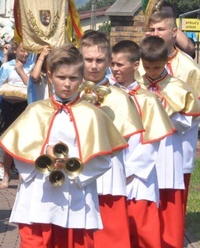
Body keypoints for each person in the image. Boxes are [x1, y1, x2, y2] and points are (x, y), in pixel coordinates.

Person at [0, 46, 127, 247]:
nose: (67, 84)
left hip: (75, 193)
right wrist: (42, 154)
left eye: (73, 78)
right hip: (38, 193)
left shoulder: (92, 114)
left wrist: (74, 165)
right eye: (61, 77)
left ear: (81, 78)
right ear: (50, 76)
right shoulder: (35, 110)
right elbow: (18, 151)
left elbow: (102, 159)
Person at [144, 10, 200, 213]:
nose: (156, 33)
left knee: (171, 207)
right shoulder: (141, 63)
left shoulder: (188, 67)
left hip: (176, 144)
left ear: (174, 32)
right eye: (152, 29)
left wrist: (168, 112)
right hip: (144, 146)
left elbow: (199, 110)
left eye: (161, 29)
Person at [79, 31, 143, 248]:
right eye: (88, 60)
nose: (94, 66)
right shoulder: (71, 92)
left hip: (110, 173)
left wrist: (130, 172)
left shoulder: (120, 96)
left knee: (111, 236)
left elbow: (132, 138)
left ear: (108, 61)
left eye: (99, 60)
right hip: (77, 172)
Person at [140, 36, 200, 248]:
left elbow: (190, 119)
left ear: (165, 63)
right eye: (147, 67)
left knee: (169, 200)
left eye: (156, 67)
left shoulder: (178, 87)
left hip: (169, 148)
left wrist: (165, 107)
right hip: (143, 149)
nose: (151, 72)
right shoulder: (137, 85)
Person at [111, 40, 175, 248]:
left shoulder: (148, 99)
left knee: (143, 233)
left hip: (139, 177)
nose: (114, 69)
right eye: (112, 64)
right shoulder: (104, 95)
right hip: (109, 173)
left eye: (120, 64)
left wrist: (131, 170)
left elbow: (152, 141)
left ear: (135, 65)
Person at [0, 41, 35, 188]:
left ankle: (21, 177)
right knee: (8, 142)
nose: (25, 54)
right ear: (16, 50)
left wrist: (21, 71)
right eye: (22, 50)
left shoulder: (32, 67)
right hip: (8, 106)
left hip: (24, 106)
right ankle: (6, 174)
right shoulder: (7, 66)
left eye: (27, 51)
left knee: (23, 142)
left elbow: (31, 86)